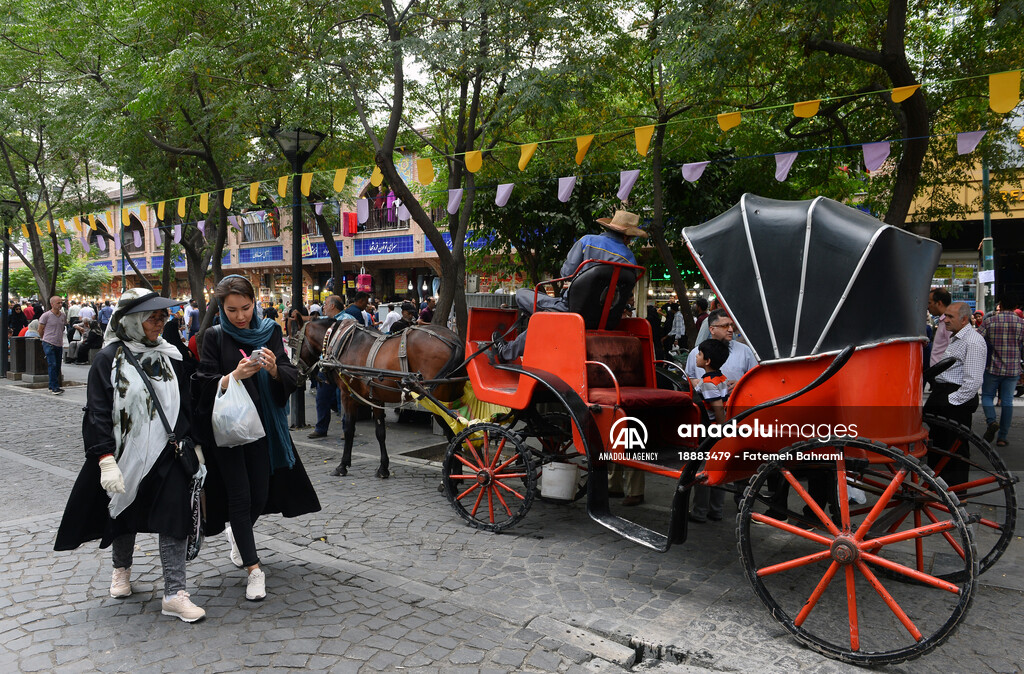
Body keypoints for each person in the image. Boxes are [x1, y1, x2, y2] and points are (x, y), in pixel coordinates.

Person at [54, 288, 206, 622]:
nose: (160, 322)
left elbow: (184, 403)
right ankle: (121, 570)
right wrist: (104, 458)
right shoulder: (109, 358)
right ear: (132, 320)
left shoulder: (171, 354)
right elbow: (97, 411)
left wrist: (193, 443)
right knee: (124, 514)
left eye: (163, 316)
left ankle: (175, 593)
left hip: (168, 452)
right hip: (125, 454)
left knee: (174, 518)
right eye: (152, 316)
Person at [195, 275, 321, 602]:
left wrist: (275, 371)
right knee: (240, 495)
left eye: (246, 308)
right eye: (232, 309)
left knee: (260, 495)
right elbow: (203, 382)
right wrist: (232, 377)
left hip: (263, 425)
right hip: (230, 429)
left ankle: (238, 533)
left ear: (255, 303)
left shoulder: (270, 330)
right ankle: (254, 570)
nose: (240, 316)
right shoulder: (213, 336)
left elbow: (288, 371)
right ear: (221, 308)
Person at [493, 210, 647, 362]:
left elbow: (566, 272)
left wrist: (575, 282)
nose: (629, 242)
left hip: (572, 310)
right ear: (626, 236)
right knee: (547, 314)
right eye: (631, 239)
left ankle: (508, 351)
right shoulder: (631, 260)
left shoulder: (587, 241)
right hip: (608, 320)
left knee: (522, 295)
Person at [925, 302, 986, 486]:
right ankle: (939, 486)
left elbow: (973, 381)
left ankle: (956, 490)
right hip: (945, 393)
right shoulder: (958, 338)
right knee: (940, 443)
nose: (945, 320)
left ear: (964, 319)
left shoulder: (973, 341)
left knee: (955, 447)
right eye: (946, 316)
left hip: (955, 398)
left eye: (950, 316)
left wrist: (951, 401)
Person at [689, 339, 731, 523]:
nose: (696, 357)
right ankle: (716, 510)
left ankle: (699, 512)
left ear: (707, 361)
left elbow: (717, 407)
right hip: (716, 431)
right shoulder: (721, 378)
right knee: (719, 471)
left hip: (709, 432)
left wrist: (721, 431)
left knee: (703, 472)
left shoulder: (708, 382)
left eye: (699, 354)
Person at [978, 297, 1024, 447]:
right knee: (1007, 402)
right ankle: (1002, 438)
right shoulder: (1021, 324)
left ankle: (992, 421)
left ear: (1001, 305)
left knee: (987, 396)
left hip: (992, 367)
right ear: (1016, 306)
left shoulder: (989, 321)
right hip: (1012, 369)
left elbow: (977, 339)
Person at [684, 309, 758, 389]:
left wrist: (740, 384)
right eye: (725, 326)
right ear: (712, 329)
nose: (730, 330)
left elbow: (757, 378)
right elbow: (687, 378)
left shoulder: (744, 351)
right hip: (706, 400)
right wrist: (693, 382)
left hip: (738, 399)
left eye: (731, 325)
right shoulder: (697, 352)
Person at [309, 295, 345, 440]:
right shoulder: (324, 322)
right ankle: (321, 427)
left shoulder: (347, 319)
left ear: (332, 306)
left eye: (325, 304)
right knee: (322, 398)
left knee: (343, 399)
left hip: (341, 366)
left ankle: (346, 428)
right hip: (326, 365)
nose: (323, 307)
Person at [38, 296, 67, 395]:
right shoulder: (46, 315)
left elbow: (63, 328)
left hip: (59, 343)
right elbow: (40, 329)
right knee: (52, 364)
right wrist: (44, 339)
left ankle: (51, 385)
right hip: (48, 342)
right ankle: (55, 387)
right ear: (52, 304)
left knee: (57, 365)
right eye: (58, 303)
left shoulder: (63, 315)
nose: (60, 305)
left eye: (61, 303)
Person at [928, 288, 952, 366]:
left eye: (929, 303)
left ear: (939, 303)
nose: (928, 307)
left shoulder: (949, 322)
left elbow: (952, 350)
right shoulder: (942, 321)